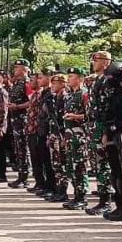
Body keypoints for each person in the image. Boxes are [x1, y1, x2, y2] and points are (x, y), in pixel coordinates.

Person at [100, 61, 122, 221]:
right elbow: (109, 117)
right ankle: (119, 205)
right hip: (113, 136)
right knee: (115, 174)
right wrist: (108, 132)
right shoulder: (112, 93)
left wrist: (116, 129)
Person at [87, 51, 116, 215]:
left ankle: (106, 201)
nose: (93, 62)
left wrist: (106, 131)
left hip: (102, 128)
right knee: (98, 165)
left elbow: (107, 108)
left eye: (96, 60)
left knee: (103, 165)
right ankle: (102, 199)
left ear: (106, 62)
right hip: (94, 127)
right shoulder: (97, 80)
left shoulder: (107, 81)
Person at [61, 67, 90, 209]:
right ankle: (76, 196)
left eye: (72, 76)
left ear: (80, 78)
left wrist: (75, 116)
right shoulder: (69, 95)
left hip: (80, 136)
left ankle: (82, 198)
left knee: (80, 167)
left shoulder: (85, 94)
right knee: (70, 167)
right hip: (69, 136)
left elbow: (90, 115)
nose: (69, 78)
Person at [45, 73, 70, 202]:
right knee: (56, 163)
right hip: (54, 133)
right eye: (52, 83)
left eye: (55, 83)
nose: (52, 85)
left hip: (62, 134)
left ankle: (63, 191)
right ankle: (58, 189)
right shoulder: (52, 98)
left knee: (62, 163)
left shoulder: (65, 98)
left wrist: (63, 137)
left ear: (63, 84)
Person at [8, 59, 32, 187]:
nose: (15, 69)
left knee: (23, 148)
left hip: (23, 120)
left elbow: (31, 102)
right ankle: (20, 175)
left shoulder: (27, 83)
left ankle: (25, 177)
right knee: (18, 148)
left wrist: (17, 107)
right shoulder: (17, 83)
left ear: (24, 69)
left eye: (17, 67)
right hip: (15, 120)